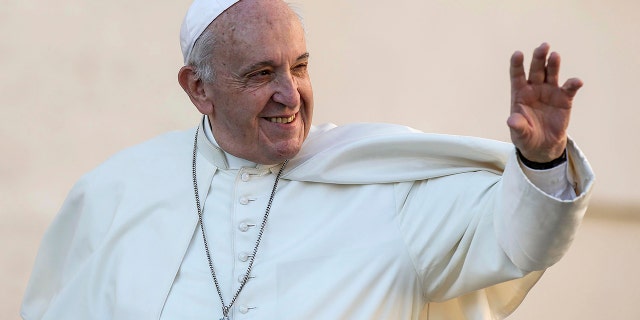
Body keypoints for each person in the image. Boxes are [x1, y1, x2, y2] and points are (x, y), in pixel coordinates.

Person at [21, 0, 594, 319]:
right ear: (198, 88)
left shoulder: (388, 184)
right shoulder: (118, 193)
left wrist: (542, 161)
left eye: (299, 67)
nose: (291, 96)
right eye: (261, 74)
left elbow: (518, 240)